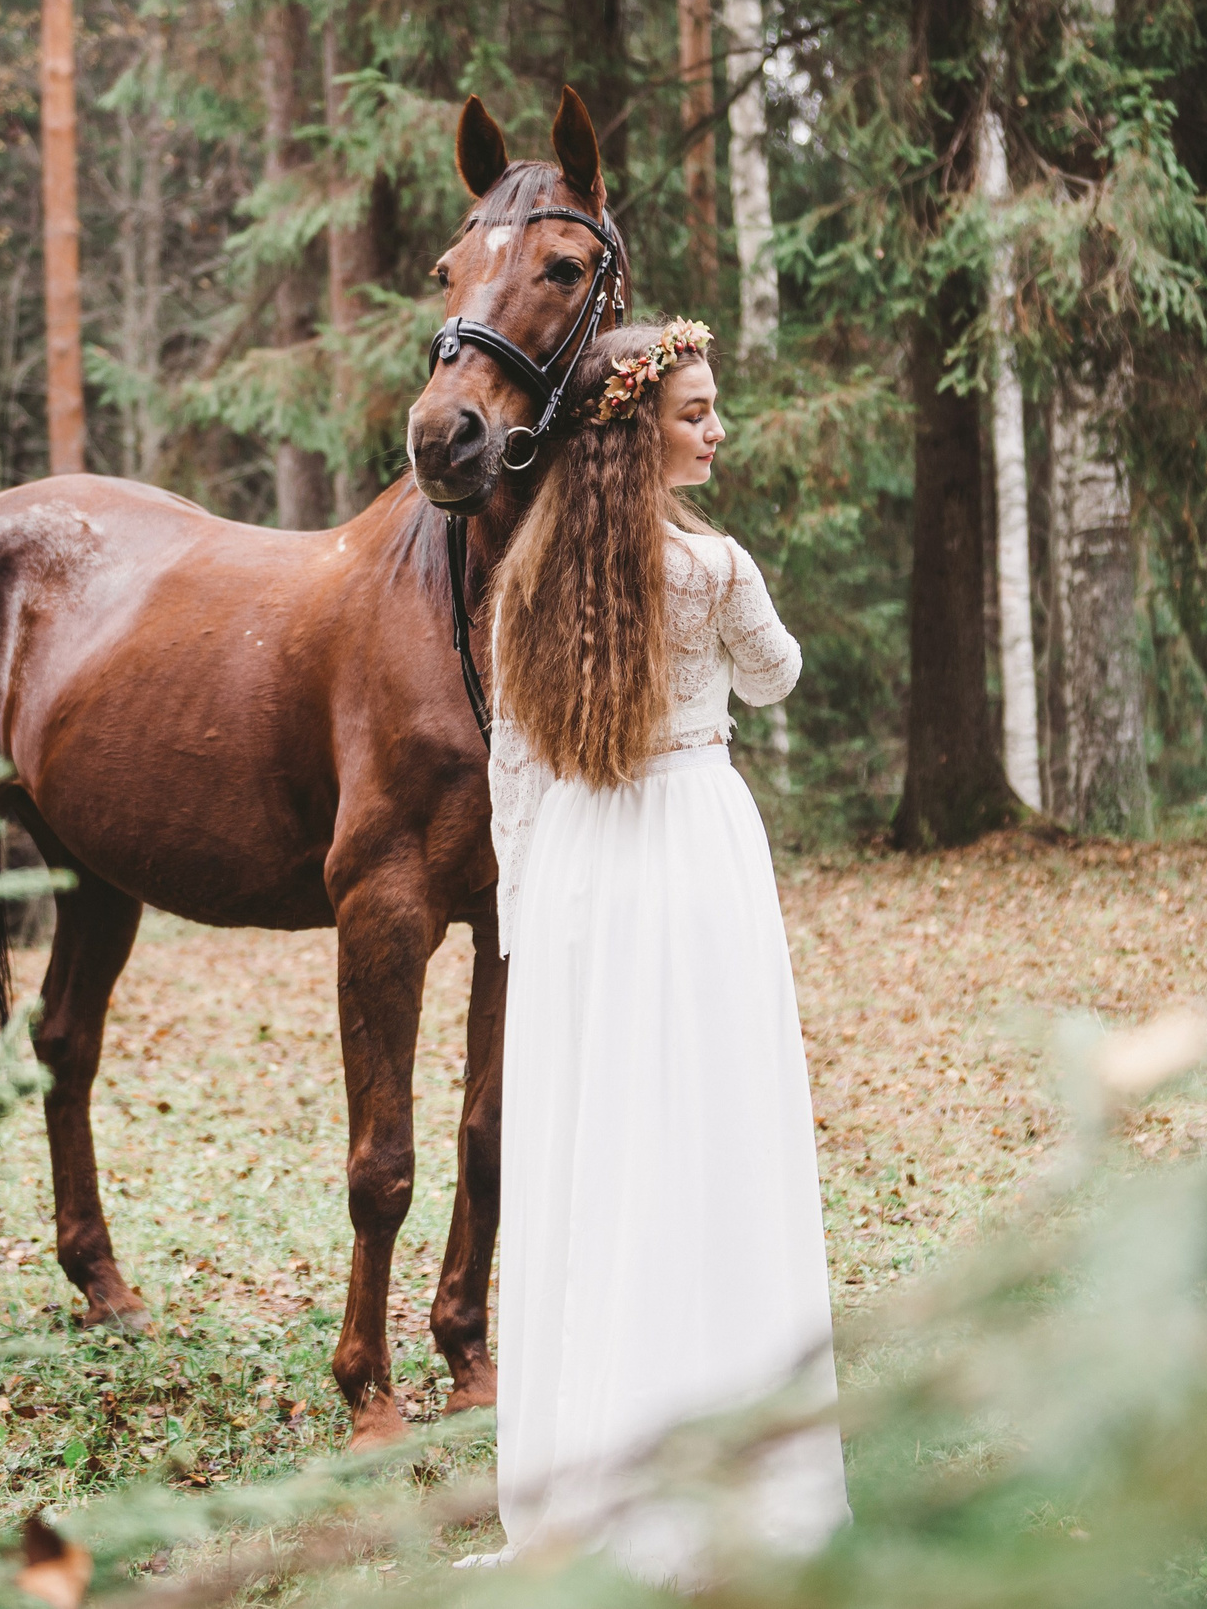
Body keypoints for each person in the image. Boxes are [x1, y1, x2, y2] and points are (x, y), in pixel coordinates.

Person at [472, 318, 848, 1580]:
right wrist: (732, 599)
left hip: (579, 862)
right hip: (688, 849)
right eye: (696, 410)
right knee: (705, 1121)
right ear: (638, 434)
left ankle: (589, 1466)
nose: (717, 427)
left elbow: (513, 758)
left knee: (595, 1136)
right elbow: (777, 681)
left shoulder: (528, 570)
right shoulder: (718, 568)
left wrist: (526, 906)